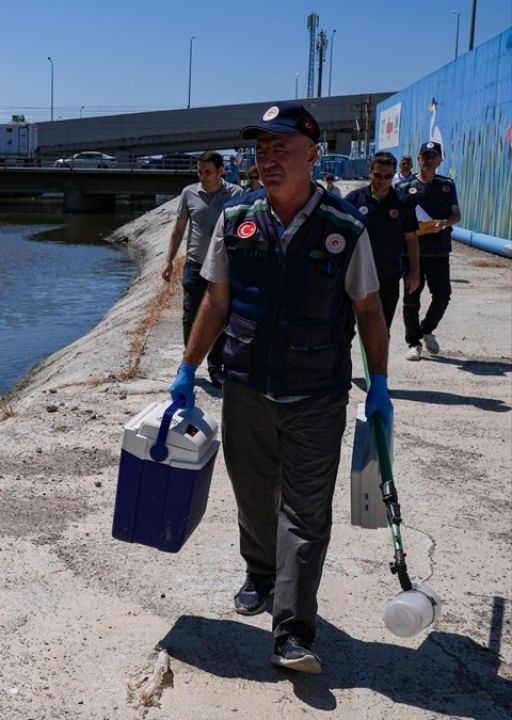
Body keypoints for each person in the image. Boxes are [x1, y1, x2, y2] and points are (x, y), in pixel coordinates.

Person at [169, 101, 392, 674]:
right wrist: (188, 367)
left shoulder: (345, 228)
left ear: (313, 156)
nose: (267, 160)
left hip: (317, 394)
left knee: (306, 511)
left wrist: (381, 385)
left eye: (280, 149)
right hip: (245, 386)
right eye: (261, 150)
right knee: (251, 493)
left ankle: (292, 629)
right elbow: (216, 301)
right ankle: (261, 573)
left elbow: (368, 312)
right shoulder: (236, 218)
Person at [161, 150, 247, 388]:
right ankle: (189, 364)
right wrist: (168, 261)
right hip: (195, 264)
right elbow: (179, 230)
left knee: (222, 317)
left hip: (224, 267)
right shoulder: (189, 193)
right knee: (190, 315)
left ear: (221, 171)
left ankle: (215, 367)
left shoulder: (237, 194)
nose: (203, 177)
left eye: (208, 172)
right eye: (199, 172)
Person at [398, 141, 462, 360]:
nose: (428, 160)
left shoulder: (447, 185)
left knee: (443, 296)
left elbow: (456, 214)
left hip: (438, 251)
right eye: (425, 156)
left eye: (433, 156)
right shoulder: (405, 187)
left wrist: (444, 223)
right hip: (411, 252)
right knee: (411, 299)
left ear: (440, 160)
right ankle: (413, 343)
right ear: (418, 159)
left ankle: (426, 329)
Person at [345, 152, 421, 331]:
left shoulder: (402, 202)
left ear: (393, 175)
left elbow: (411, 239)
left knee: (381, 331)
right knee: (345, 329)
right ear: (369, 172)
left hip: (387, 276)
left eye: (387, 176)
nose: (382, 180)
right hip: (356, 275)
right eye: (378, 175)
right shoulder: (353, 200)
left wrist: (414, 273)